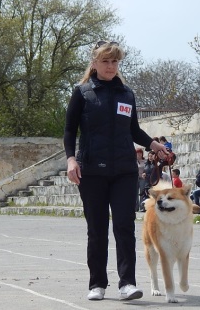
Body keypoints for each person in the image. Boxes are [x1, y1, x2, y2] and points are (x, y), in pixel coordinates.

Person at [63, 40, 169, 301]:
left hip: (124, 170)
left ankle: (127, 284)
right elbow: (69, 131)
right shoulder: (83, 92)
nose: (110, 66)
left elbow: (133, 130)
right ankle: (97, 284)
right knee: (97, 229)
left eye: (115, 61)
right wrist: (71, 160)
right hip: (92, 172)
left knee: (124, 226)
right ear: (95, 63)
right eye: (105, 61)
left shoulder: (127, 94)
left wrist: (154, 144)